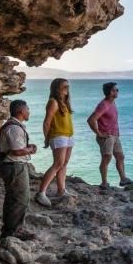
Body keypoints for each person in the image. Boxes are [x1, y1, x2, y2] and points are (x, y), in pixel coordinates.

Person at [0, 99, 37, 237]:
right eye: (27, 109)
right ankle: (14, 231)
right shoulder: (14, 128)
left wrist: (26, 148)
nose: (29, 112)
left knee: (13, 198)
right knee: (20, 199)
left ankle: (9, 229)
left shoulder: (12, 126)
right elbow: (17, 151)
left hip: (11, 165)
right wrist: (30, 149)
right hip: (14, 166)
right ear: (21, 111)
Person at [87, 81, 133, 189]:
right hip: (106, 136)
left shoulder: (112, 102)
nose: (117, 92)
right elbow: (91, 120)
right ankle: (104, 183)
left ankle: (123, 179)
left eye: (117, 90)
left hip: (115, 135)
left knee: (120, 156)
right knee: (107, 158)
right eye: (114, 90)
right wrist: (98, 133)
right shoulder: (103, 105)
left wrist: (117, 133)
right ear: (109, 92)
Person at [36, 78, 74, 206]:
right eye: (64, 87)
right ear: (57, 88)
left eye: (68, 87)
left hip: (68, 136)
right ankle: (41, 193)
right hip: (58, 136)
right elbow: (47, 122)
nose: (67, 89)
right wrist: (47, 138)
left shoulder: (64, 102)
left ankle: (61, 190)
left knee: (64, 163)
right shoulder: (53, 102)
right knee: (58, 163)